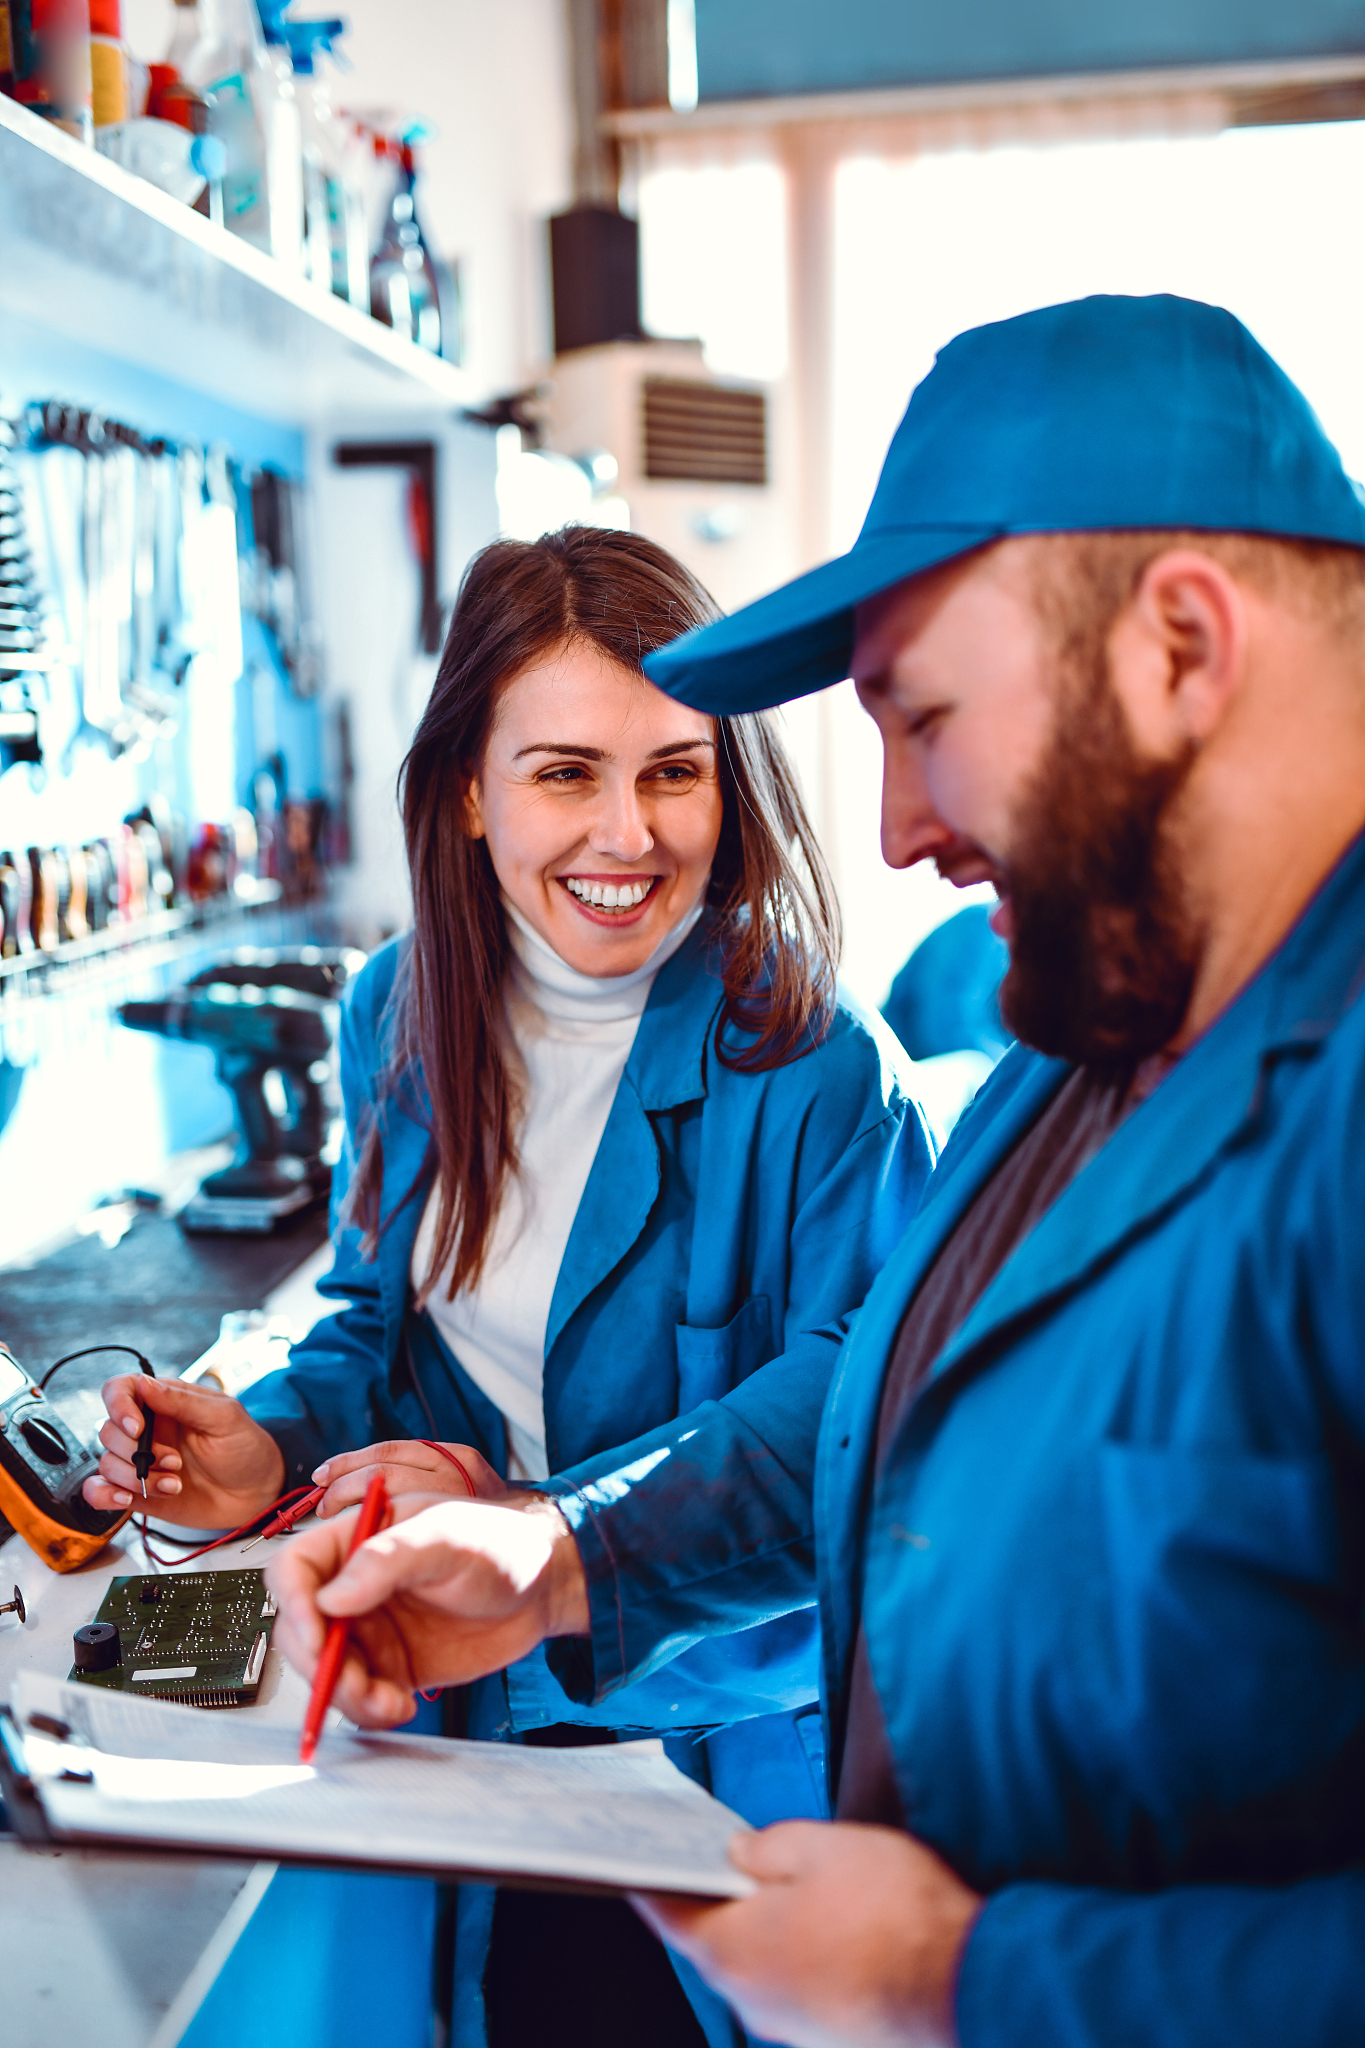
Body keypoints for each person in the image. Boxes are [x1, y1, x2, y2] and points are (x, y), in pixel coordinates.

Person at [264, 295, 1365, 2048]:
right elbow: (855, 1409)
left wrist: (963, 1979)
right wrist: (553, 1560)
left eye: (919, 716)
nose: (896, 832)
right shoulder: (1078, 1051)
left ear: (1177, 644)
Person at [86, 526, 927, 2048]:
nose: (630, 834)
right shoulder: (398, 1008)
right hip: (460, 1730)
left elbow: (848, 1431)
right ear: (468, 790)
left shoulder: (809, 1057)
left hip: (694, 1747)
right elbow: (374, 1321)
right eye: (565, 773)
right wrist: (264, 1444)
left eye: (675, 769)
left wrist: (532, 1524)